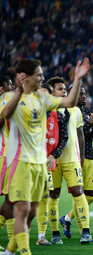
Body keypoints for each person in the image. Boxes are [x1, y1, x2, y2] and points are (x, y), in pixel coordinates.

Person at [1, 57, 89, 255]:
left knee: (32, 212)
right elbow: (5, 114)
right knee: (22, 208)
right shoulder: (9, 97)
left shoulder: (42, 98)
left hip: (40, 163)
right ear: (25, 77)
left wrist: (78, 79)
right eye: (39, 75)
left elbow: (70, 102)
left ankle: (9, 251)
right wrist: (18, 90)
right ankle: (25, 252)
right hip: (19, 161)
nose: (42, 78)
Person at [45, 76, 92, 245]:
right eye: (60, 88)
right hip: (51, 161)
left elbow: (80, 135)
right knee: (53, 194)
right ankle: (55, 233)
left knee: (79, 192)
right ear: (51, 92)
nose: (64, 90)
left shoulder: (75, 110)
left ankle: (86, 231)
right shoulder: (46, 110)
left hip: (71, 158)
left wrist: (82, 157)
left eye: (65, 88)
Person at [60, 85, 93, 238]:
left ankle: (67, 218)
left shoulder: (85, 112)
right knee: (79, 194)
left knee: (90, 195)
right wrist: (89, 122)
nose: (84, 96)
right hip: (73, 158)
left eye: (85, 94)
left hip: (88, 157)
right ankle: (83, 231)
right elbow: (72, 134)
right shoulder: (66, 112)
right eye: (81, 94)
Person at [35, 83, 69, 246]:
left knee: (44, 198)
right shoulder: (26, 113)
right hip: (24, 163)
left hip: (45, 165)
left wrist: (54, 155)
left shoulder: (59, 117)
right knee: (15, 201)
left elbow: (64, 138)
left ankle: (41, 236)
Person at [0, 75, 14, 251]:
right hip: (5, 156)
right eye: (9, 84)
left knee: (11, 200)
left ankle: (12, 242)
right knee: (10, 200)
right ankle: (12, 243)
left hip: (12, 157)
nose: (12, 86)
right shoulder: (4, 103)